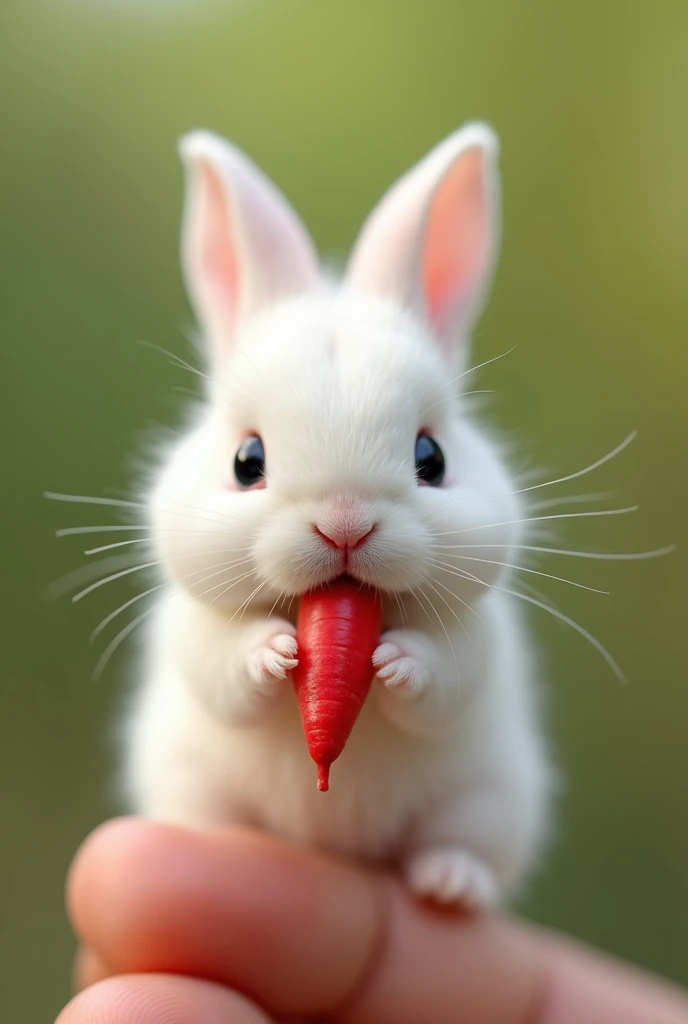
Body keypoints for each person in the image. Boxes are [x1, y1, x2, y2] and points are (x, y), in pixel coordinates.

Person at [56, 819, 687, 1023]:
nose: (343, 536)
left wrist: (418, 675)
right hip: (243, 855)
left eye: (431, 493)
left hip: (417, 868)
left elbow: (454, 694)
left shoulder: (465, 623)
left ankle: (461, 848)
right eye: (252, 493)